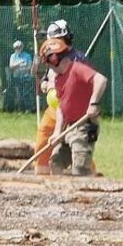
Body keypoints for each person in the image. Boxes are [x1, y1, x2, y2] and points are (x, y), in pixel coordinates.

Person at [41, 36, 106, 177]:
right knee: (56, 162)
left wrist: (93, 103)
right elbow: (60, 107)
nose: (49, 68)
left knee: (80, 168)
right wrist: (57, 132)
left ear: (54, 59)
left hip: (84, 126)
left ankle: (89, 195)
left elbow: (101, 79)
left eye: (48, 64)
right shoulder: (58, 79)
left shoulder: (77, 69)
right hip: (68, 127)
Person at [33, 20, 89, 176]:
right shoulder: (53, 58)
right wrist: (47, 86)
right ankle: (41, 178)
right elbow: (45, 81)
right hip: (54, 110)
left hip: (73, 111)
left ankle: (89, 176)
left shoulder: (78, 59)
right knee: (42, 139)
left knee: (78, 146)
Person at [5, 40, 34, 112]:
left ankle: (28, 109)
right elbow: (11, 66)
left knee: (26, 93)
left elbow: (30, 66)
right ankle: (21, 109)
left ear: (22, 47)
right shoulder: (13, 56)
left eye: (19, 47)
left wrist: (22, 69)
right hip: (17, 78)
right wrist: (19, 64)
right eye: (16, 47)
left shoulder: (27, 55)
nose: (18, 49)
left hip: (26, 77)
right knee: (19, 94)